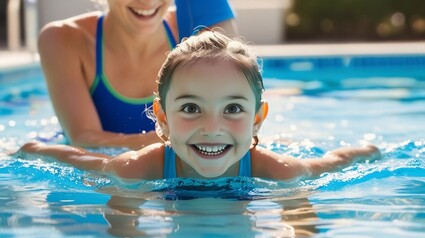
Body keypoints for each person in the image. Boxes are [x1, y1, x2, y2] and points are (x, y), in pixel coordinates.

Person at [19, 30, 382, 180]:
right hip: (122, 160)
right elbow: (122, 219)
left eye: (233, 109)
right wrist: (34, 152)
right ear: (162, 116)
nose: (212, 127)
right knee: (94, 164)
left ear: (258, 119)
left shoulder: (278, 171)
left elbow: (300, 220)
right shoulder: (137, 169)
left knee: (321, 165)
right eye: (191, 109)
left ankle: (363, 149)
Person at [38, 0, 237, 150]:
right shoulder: (63, 39)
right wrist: (178, 140)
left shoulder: (196, 31)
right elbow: (84, 139)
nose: (148, 1)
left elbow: (235, 115)